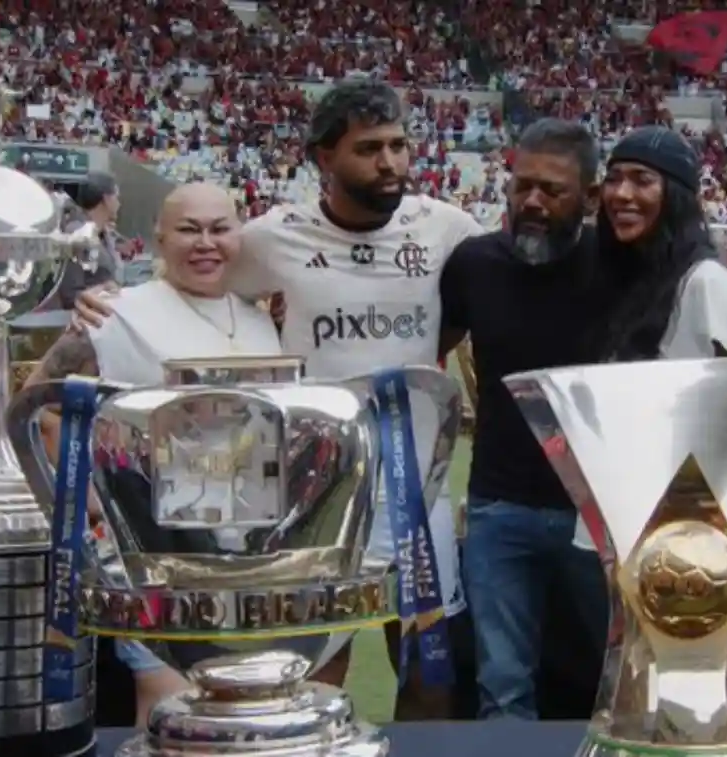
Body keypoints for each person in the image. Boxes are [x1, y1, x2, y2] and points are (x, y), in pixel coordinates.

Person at [69, 79, 482, 721]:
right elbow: (196, 278)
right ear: (324, 157)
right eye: (370, 148)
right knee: (316, 656)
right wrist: (107, 305)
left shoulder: (449, 227)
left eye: (400, 146)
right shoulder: (269, 238)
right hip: (318, 486)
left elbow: (478, 300)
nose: (391, 162)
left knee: (430, 658)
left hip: (415, 480)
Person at [21, 182, 283, 726]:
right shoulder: (116, 313)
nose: (205, 243)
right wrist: (94, 503)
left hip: (250, 557)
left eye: (219, 228)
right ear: (159, 239)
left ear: (240, 234)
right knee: (168, 705)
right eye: (189, 229)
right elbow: (37, 408)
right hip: (152, 554)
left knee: (238, 707)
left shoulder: (259, 319)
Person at [588, 126, 727, 667]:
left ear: (675, 195)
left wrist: (726, 547)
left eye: (641, 180)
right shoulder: (623, 285)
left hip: (712, 545)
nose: (622, 194)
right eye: (613, 179)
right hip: (645, 535)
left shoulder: (705, 283)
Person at [438, 118, 615, 720]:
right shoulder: (473, 265)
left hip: (599, 511)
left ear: (591, 197)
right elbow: (428, 350)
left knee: (618, 681)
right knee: (502, 686)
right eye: (522, 186)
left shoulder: (622, 268)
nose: (532, 202)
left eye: (553, 189)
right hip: (498, 508)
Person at [56, 171, 122, 310]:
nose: (119, 203)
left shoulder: (103, 233)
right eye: (117, 197)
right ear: (106, 199)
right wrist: (105, 288)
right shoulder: (76, 235)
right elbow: (70, 295)